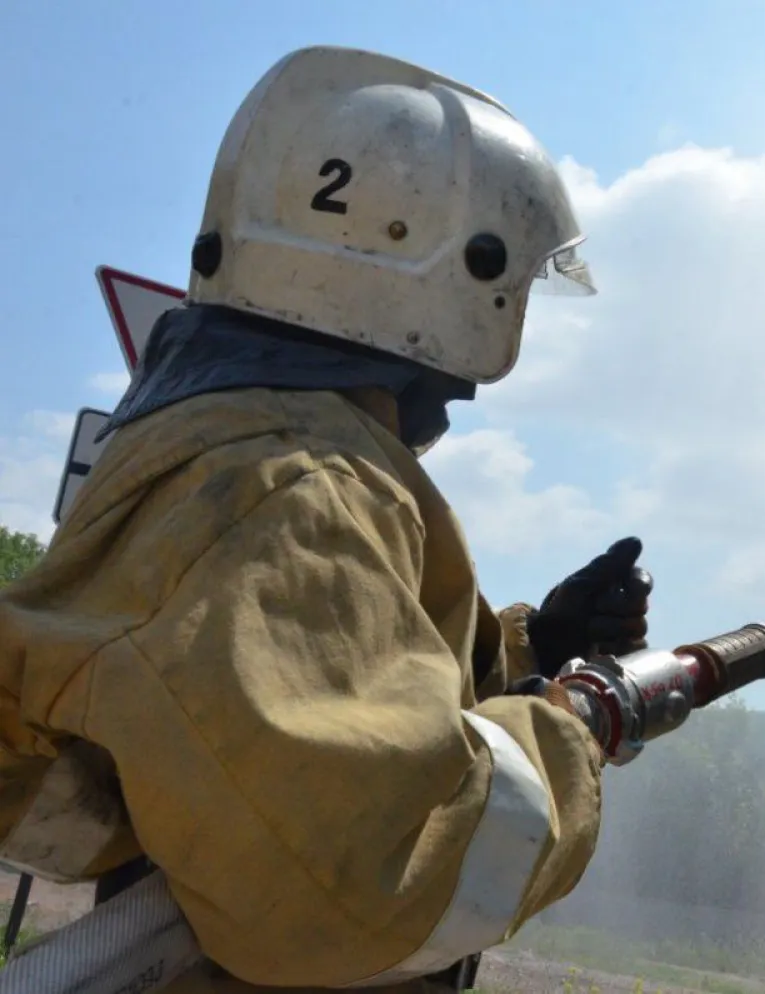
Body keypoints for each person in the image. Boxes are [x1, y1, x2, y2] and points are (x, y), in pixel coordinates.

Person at [0, 45, 650, 992]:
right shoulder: (290, 485)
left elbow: (302, 715)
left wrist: (530, 649)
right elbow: (363, 883)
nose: (467, 387)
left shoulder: (245, 450)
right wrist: (574, 727)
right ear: (442, 271)